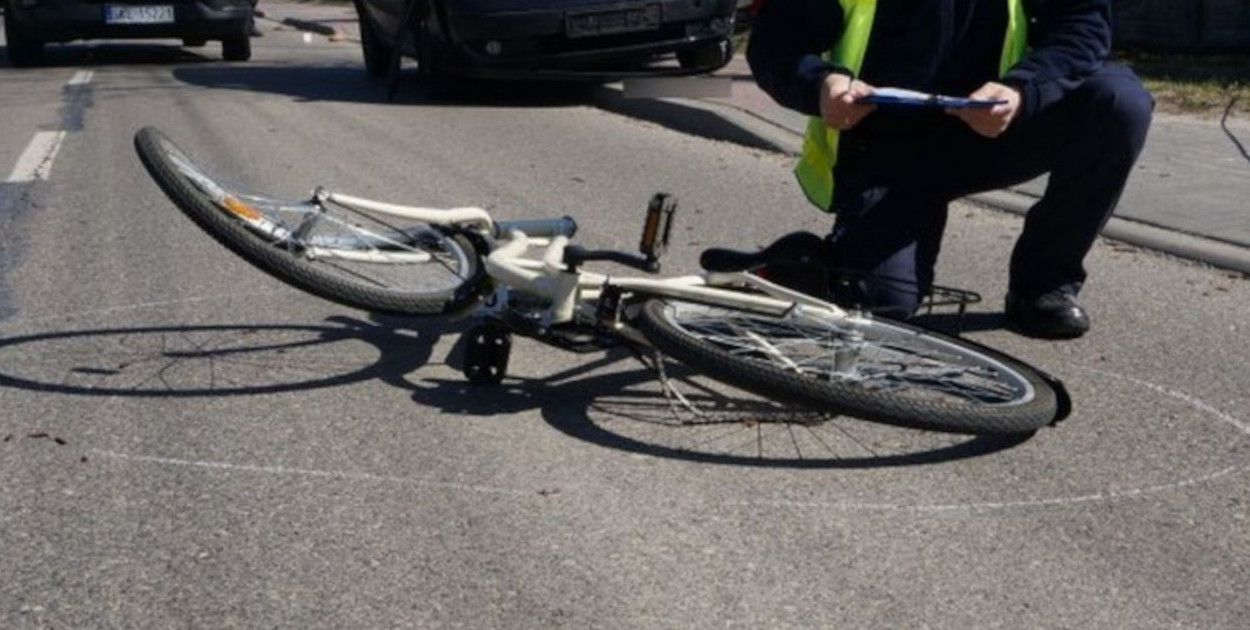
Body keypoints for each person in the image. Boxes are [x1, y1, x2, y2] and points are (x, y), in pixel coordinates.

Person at [746, 0, 1153, 338]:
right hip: (889, 148)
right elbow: (776, 41)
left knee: (1118, 104)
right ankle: (803, 266)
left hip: (991, 129)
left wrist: (1022, 89)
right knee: (883, 305)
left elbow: (1082, 25)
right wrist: (820, 84)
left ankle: (1042, 287)